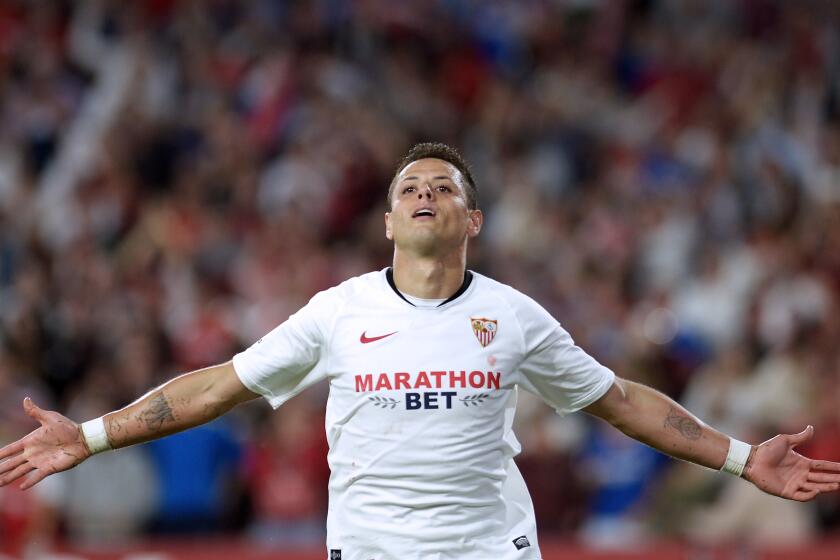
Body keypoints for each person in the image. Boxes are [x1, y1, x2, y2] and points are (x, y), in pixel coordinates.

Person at [2, 142, 840, 560]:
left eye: (445, 187)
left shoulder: (515, 317)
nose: (426, 194)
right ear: (390, 222)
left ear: (472, 222)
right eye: (411, 189)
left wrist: (737, 458)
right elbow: (222, 386)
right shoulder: (338, 311)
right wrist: (94, 435)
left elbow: (620, 399)